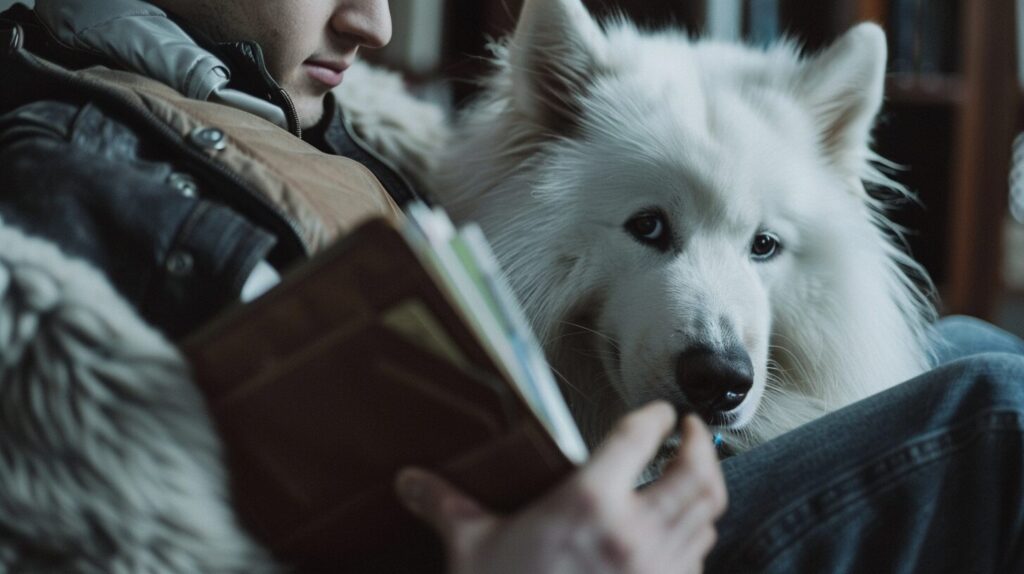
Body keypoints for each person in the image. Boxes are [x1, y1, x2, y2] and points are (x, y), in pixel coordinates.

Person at [0, 1, 1021, 573]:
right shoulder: (68, 171)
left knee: (973, 344)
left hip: (595, 501)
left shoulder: (282, 117)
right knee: (997, 412)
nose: (378, 23)